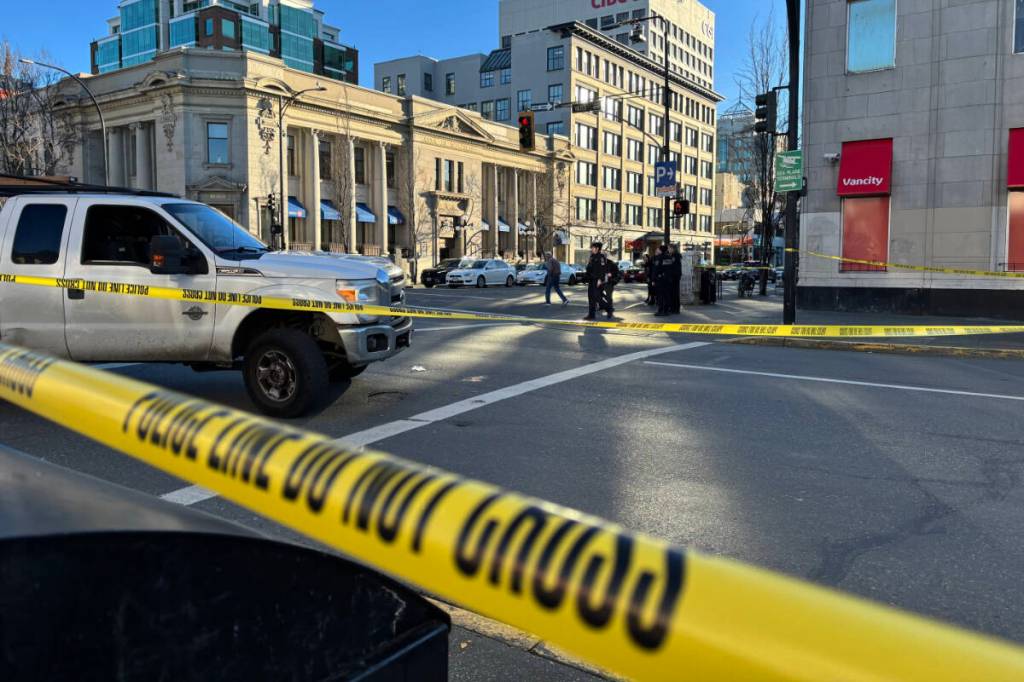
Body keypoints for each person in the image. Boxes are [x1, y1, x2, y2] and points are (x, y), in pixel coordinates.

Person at [584, 242, 609, 321]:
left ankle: (608, 307)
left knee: (597, 298)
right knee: (591, 298)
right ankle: (591, 315)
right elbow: (589, 267)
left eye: (593, 247)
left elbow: (603, 270)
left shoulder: (601, 257)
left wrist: (600, 280)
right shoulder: (592, 256)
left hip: (597, 280)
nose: (591, 249)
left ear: (597, 248)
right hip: (591, 280)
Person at [653, 245, 672, 317]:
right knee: (667, 295)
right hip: (667, 279)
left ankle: (660, 310)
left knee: (660, 295)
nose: (657, 250)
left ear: (660, 250)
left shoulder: (659, 258)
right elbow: (669, 268)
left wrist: (654, 278)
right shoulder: (669, 257)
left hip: (660, 279)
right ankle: (666, 310)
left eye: (658, 249)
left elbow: (656, 269)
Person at [669, 244, 683, 314]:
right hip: (674, 275)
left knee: (675, 293)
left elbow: (673, 265)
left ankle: (675, 308)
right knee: (673, 293)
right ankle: (673, 308)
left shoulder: (675, 255)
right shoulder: (673, 255)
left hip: (675, 276)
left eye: (669, 248)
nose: (669, 250)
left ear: (673, 248)